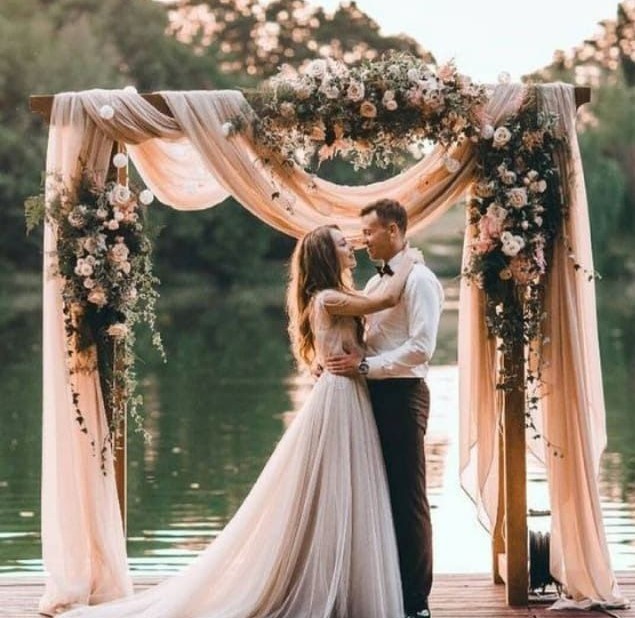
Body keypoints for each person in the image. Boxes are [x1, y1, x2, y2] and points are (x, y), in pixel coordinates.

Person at [61, 224, 418, 618]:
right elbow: (383, 300)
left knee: (347, 487)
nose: (349, 245)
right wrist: (411, 258)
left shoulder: (337, 296)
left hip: (348, 393)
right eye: (340, 243)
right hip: (340, 398)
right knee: (333, 488)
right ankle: (322, 581)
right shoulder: (328, 298)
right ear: (325, 257)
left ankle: (342, 580)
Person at [325, 200, 444, 618]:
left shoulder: (421, 281)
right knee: (377, 494)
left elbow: (421, 348)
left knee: (408, 498)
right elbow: (372, 335)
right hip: (372, 396)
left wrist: (364, 365)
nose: (363, 240)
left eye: (370, 232)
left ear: (393, 230)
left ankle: (416, 603)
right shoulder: (377, 285)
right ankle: (386, 590)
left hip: (402, 395)